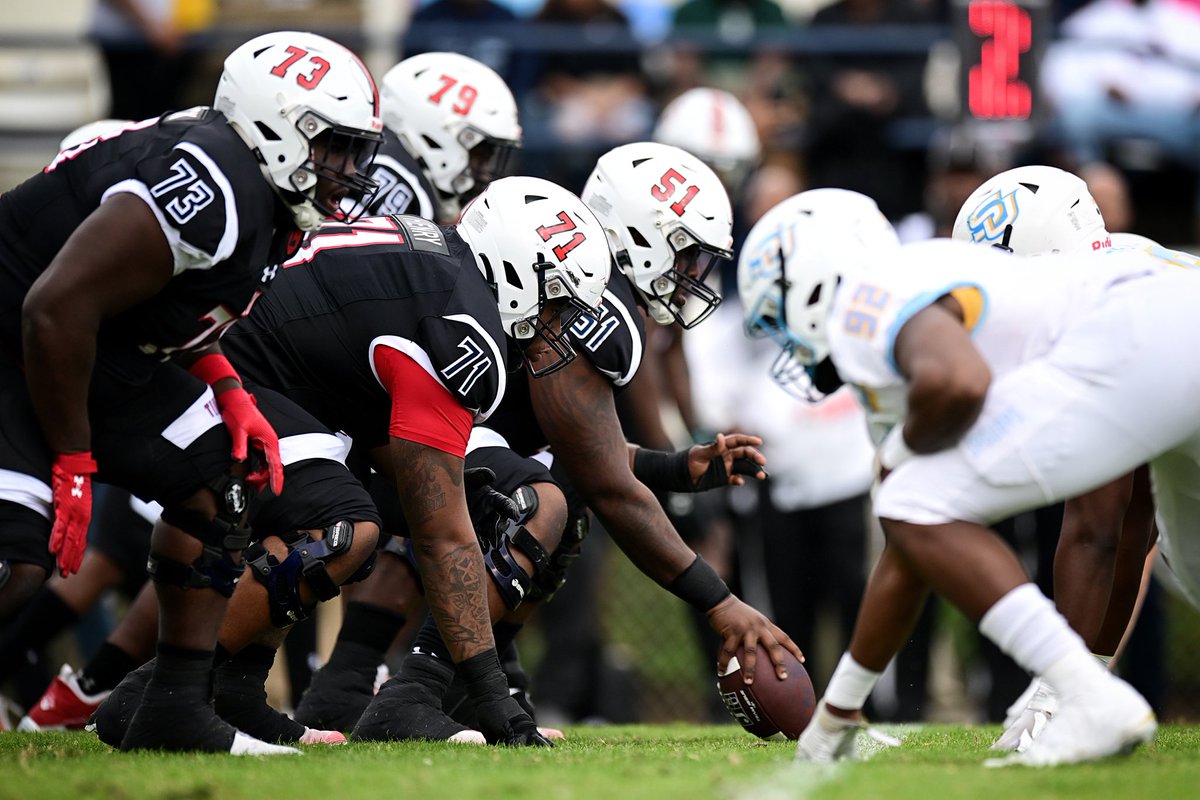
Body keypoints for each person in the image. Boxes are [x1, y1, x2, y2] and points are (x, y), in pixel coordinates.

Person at [0, 30, 384, 753]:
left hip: (88, 356)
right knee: (15, 562)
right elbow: (54, 307)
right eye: (332, 145)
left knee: (225, 476)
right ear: (273, 124)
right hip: (21, 348)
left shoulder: (266, 203)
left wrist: (228, 386)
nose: (348, 168)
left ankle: (173, 707)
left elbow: (164, 318)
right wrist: (74, 460)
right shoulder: (210, 185)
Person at [342, 141, 799, 743]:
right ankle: (407, 686)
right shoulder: (594, 303)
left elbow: (578, 452)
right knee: (539, 505)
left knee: (546, 499)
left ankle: (457, 686)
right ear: (641, 234)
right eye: (686, 255)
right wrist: (721, 603)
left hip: (407, 409)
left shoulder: (586, 283)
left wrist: (678, 466)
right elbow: (606, 482)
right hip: (391, 409)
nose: (692, 276)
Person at [739, 187, 1164, 766]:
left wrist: (906, 456)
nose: (786, 343)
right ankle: (1088, 696)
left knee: (916, 496)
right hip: (1165, 348)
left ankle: (1088, 698)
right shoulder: (926, 283)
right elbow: (912, 543)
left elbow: (960, 389)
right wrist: (840, 709)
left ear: (815, 283)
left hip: (1149, 348)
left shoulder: (870, 306)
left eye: (777, 317)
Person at [951, 164, 1171, 749]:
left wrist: (1056, 690)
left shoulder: (1102, 312)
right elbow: (1133, 527)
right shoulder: (1125, 261)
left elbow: (1095, 527)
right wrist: (1084, 679)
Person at [362, 52, 522, 223]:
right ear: (438, 137)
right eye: (480, 153)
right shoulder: (398, 181)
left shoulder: (380, 158)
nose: (485, 171)